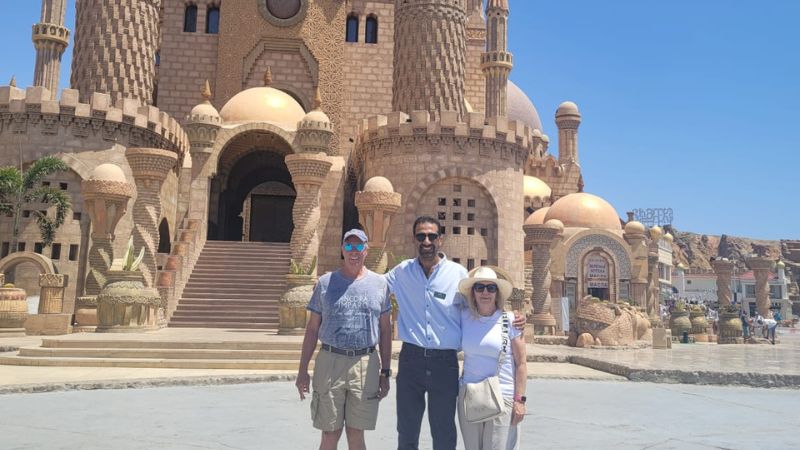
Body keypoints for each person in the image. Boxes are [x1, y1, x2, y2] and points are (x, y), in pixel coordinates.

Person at [385, 216, 525, 450]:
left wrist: (510, 316)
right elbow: (376, 286)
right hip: (411, 359)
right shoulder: (402, 272)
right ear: (414, 239)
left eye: (431, 236)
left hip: (444, 363)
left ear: (440, 240)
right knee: (407, 430)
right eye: (421, 236)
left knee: (443, 432)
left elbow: (481, 304)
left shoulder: (458, 274)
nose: (426, 241)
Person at [296, 229, 392, 450]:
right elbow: (312, 329)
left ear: (366, 250)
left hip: (365, 363)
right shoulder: (326, 283)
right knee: (330, 433)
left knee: (356, 433)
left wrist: (385, 372)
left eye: (359, 246)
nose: (354, 251)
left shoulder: (379, 284)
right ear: (342, 249)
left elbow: (386, 330)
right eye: (349, 246)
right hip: (330, 361)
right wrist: (302, 370)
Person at [457, 267, 527, 450]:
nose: (485, 292)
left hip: (502, 396)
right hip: (470, 395)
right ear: (473, 293)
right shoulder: (463, 317)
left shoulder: (511, 320)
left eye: (491, 288)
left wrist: (519, 400)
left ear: (497, 293)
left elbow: (521, 363)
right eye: (479, 287)